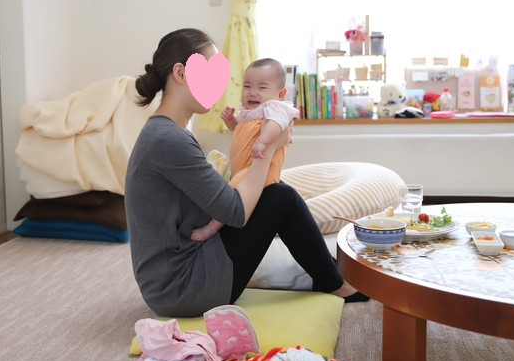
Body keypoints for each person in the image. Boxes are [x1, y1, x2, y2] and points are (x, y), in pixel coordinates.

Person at [125, 28, 367, 317]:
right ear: (180, 73)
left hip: (177, 278)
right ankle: (335, 284)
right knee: (281, 197)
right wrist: (270, 147)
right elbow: (236, 212)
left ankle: (331, 276)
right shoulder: (168, 138)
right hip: (183, 289)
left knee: (275, 194)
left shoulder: (167, 132)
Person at [191, 58, 299, 242]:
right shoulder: (249, 112)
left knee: (230, 193)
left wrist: (262, 142)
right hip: (246, 169)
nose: (252, 92)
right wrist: (231, 121)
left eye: (262, 87)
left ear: (281, 93)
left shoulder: (275, 108)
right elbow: (239, 130)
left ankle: (212, 227)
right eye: (247, 86)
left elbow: (275, 125)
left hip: (262, 172)